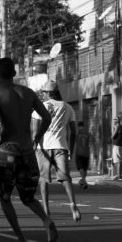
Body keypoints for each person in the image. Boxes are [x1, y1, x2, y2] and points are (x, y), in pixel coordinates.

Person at [0, 57, 57, 242]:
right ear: (14, 74)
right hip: (27, 151)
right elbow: (47, 118)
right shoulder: (28, 93)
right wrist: (37, 137)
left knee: (5, 197)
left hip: (7, 151)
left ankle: (21, 239)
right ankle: (46, 220)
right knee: (28, 197)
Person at [33, 80, 81, 222]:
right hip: (61, 146)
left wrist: (34, 143)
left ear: (48, 93)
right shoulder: (68, 107)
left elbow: (35, 130)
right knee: (65, 178)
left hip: (44, 148)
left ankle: (46, 210)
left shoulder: (40, 107)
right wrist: (70, 149)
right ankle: (73, 204)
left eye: (44, 93)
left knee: (43, 179)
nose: (43, 95)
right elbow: (73, 132)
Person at [75, 121, 90, 189]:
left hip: (79, 152)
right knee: (84, 168)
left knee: (80, 167)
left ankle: (84, 181)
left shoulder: (77, 133)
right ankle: (83, 180)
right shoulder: (87, 132)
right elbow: (92, 141)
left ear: (78, 126)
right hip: (86, 153)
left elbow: (74, 140)